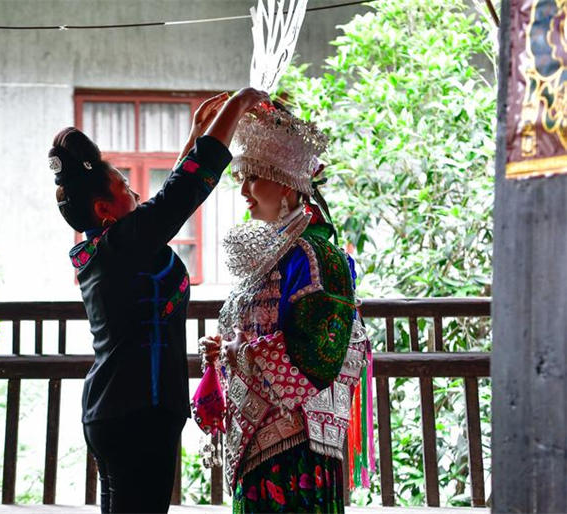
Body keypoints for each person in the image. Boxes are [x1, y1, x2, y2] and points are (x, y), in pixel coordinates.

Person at [50, 88, 270, 513]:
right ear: (103, 209)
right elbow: (180, 193)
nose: (135, 192)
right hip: (138, 413)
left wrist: (196, 133)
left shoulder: (108, 248)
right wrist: (239, 103)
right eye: (124, 187)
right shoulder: (126, 245)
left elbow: (168, 197)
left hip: (113, 410)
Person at [198, 101, 369, 513]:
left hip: (298, 446)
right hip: (261, 440)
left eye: (253, 178)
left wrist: (241, 352)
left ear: (287, 186)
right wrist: (226, 352)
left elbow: (320, 356)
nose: (243, 191)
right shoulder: (274, 255)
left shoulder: (316, 257)